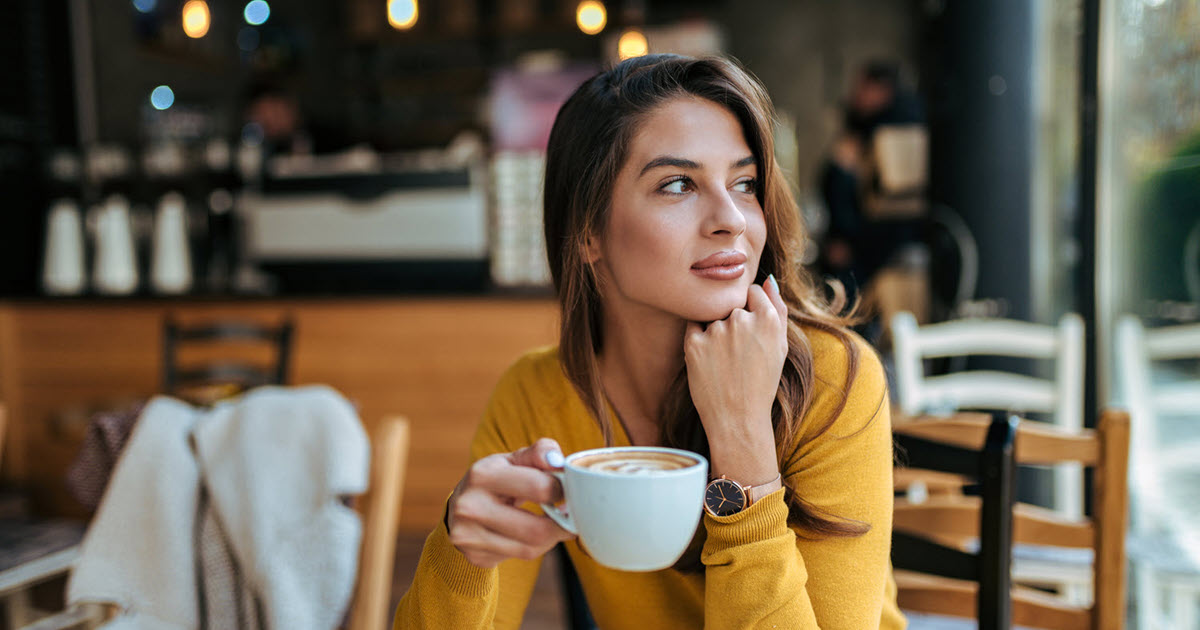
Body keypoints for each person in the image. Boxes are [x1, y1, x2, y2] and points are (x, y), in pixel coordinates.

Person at [394, 54, 904, 629]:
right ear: (587, 232)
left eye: (745, 183)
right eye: (678, 184)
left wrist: (743, 445)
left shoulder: (833, 380)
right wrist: (462, 552)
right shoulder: (539, 395)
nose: (731, 219)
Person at [818, 61, 925, 305]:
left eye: (863, 87)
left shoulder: (890, 130)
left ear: (881, 89)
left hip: (873, 244)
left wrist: (846, 238)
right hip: (862, 241)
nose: (856, 95)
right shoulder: (865, 127)